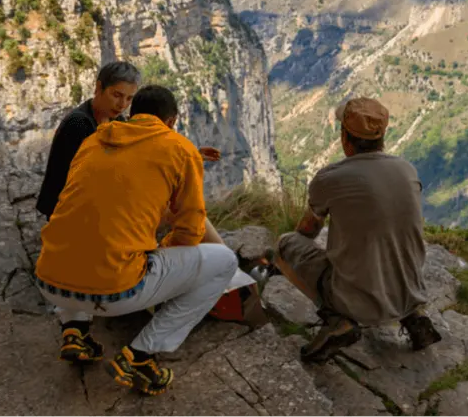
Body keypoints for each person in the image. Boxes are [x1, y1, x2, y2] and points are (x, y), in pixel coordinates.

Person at [34, 85, 237, 396]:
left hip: (50, 282)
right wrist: (160, 255)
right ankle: (140, 356)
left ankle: (75, 330)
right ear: (171, 121)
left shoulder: (94, 140)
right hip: (116, 293)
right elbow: (190, 231)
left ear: (134, 113)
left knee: (85, 230)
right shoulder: (179, 149)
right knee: (224, 261)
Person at [275, 97, 442, 363]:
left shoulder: (330, 178)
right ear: (382, 136)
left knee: (286, 244)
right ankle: (413, 316)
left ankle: (337, 319)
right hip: (410, 290)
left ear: (345, 137)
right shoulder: (407, 169)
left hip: (356, 300)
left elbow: (306, 231)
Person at [36, 61, 139, 219]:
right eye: (117, 95)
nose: (122, 104)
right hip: (67, 213)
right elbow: (79, 180)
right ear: (99, 88)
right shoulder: (78, 123)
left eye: (129, 98)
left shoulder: (119, 122)